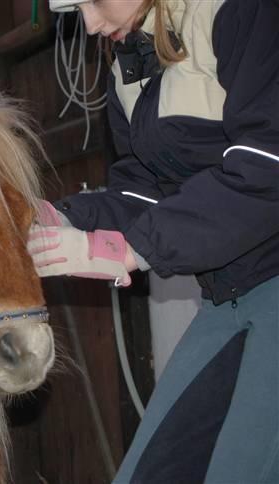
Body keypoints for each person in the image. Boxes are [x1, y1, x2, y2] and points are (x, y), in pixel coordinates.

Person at [28, 0, 279, 482]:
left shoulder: (242, 11)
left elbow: (266, 167)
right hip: (228, 295)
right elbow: (141, 191)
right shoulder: (129, 63)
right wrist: (59, 217)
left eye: (92, 1)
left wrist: (130, 249)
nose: (89, 23)